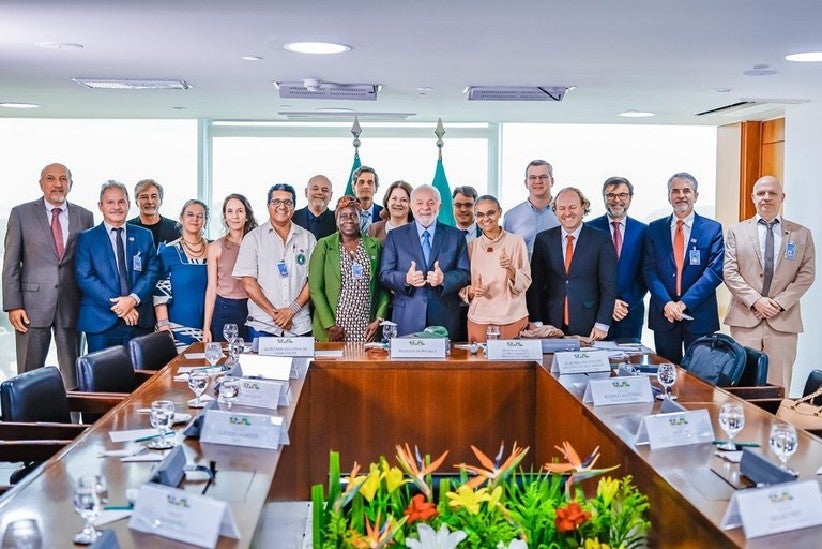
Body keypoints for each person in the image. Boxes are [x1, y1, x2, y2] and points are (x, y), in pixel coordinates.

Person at [2, 163, 94, 387]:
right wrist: (13, 305)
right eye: (51, 179)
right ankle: (25, 421)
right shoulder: (21, 214)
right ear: (41, 183)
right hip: (31, 306)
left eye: (63, 179)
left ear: (71, 184)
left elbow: (87, 262)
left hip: (71, 305)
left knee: (74, 376)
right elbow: (11, 264)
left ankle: (75, 422)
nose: (57, 184)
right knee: (27, 377)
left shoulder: (85, 216)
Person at [724, 175, 816, 390]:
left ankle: (775, 424)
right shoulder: (736, 231)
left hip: (783, 320)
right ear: (753, 197)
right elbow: (730, 272)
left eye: (772, 193)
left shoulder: (801, 234)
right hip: (745, 320)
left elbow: (806, 274)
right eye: (761, 193)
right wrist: (756, 300)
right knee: (742, 386)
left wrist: (779, 303)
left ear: (782, 197)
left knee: (778, 386)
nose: (767, 197)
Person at [644, 173, 724, 363]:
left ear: (696, 195)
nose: (681, 195)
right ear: (669, 196)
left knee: (700, 378)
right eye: (676, 191)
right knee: (666, 374)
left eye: (686, 191)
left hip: (700, 316)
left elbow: (714, 272)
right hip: (665, 316)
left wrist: (684, 303)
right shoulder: (654, 229)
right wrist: (668, 304)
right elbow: (649, 270)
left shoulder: (712, 229)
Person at [75, 181, 159, 352]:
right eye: (110, 202)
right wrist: (121, 307)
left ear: (128, 204)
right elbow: (85, 277)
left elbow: (152, 271)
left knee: (142, 377)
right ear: (101, 206)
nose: (117, 207)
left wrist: (133, 299)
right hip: (101, 321)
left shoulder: (144, 235)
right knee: (102, 377)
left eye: (121, 202)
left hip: (138, 320)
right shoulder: (87, 238)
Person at [379, 185, 470, 338]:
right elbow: (384, 274)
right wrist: (406, 279)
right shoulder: (395, 236)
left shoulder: (456, 236)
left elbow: (465, 273)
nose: (425, 207)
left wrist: (444, 279)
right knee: (408, 362)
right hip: (407, 318)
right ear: (411, 206)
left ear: (439, 206)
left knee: (446, 361)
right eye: (419, 203)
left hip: (444, 317)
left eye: (431, 202)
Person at [527, 187, 617, 340]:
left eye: (572, 207)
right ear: (555, 211)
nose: (567, 212)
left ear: (583, 207)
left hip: (590, 325)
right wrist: (536, 320)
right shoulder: (543, 240)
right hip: (551, 324)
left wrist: (602, 324)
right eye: (561, 208)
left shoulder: (601, 239)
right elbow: (535, 285)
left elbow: (608, 286)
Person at [233, 183, 316, 338]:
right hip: (263, 325)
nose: (282, 206)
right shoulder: (253, 238)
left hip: (298, 325)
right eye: (276, 201)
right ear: (268, 206)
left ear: (294, 206)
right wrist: (275, 314)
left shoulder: (308, 238)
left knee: (301, 364)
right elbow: (248, 283)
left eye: (287, 202)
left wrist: (291, 310)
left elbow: (313, 280)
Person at [309, 196, 389, 342]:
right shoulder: (325, 245)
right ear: (337, 219)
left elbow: (383, 286)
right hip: (334, 328)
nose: (349, 220)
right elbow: (315, 288)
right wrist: (330, 325)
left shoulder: (375, 245)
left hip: (366, 328)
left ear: (361, 218)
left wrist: (378, 319)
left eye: (354, 215)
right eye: (343, 216)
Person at [587, 176, 648, 341]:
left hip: (630, 311)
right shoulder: (589, 229)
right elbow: (586, 272)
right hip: (596, 311)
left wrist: (624, 302)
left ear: (630, 198)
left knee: (631, 361)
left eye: (622, 195)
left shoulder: (643, 231)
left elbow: (646, 273)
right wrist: (609, 303)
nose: (617, 200)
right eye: (610, 195)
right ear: (604, 198)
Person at [463, 195, 530, 342]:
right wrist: (473, 290)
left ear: (500, 212)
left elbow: (525, 282)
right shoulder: (471, 246)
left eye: (490, 213)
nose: (485, 218)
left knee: (515, 365)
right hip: (479, 318)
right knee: (479, 363)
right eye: (480, 215)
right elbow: (461, 286)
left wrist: (511, 269)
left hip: (512, 316)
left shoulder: (516, 242)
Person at [202, 194, 258, 343]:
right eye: (230, 211)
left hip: (253, 307)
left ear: (247, 215)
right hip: (225, 308)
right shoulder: (216, 246)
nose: (235, 216)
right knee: (226, 358)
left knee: (252, 356)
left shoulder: (257, 243)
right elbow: (212, 287)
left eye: (240, 211)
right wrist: (206, 327)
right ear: (225, 216)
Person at [153, 200, 210, 345]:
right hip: (177, 329)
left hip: (209, 327)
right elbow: (159, 295)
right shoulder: (168, 252)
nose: (195, 219)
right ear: (181, 218)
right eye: (190, 214)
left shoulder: (214, 249)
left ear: (205, 220)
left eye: (200, 216)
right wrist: (164, 327)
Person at [503, 159, 560, 258]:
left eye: (543, 177)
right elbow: (507, 251)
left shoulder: (564, 214)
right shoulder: (511, 216)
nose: (538, 181)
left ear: (552, 181)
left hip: (557, 273)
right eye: (533, 177)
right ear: (526, 183)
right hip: (522, 272)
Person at [127, 178, 181, 246]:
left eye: (154, 196)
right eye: (144, 197)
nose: (150, 202)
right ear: (136, 201)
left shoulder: (175, 229)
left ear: (161, 200)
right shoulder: (127, 229)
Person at [293, 175, 336, 240]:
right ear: (306, 192)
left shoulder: (338, 219)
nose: (320, 192)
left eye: (325, 190)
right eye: (315, 189)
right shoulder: (292, 218)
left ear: (331, 195)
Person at [352, 166, 382, 232]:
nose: (366, 186)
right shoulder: (343, 215)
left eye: (370, 182)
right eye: (361, 182)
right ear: (354, 186)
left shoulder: (385, 215)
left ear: (376, 187)